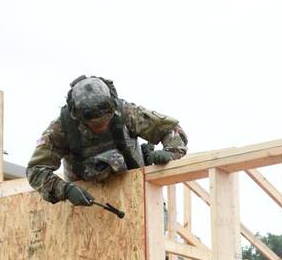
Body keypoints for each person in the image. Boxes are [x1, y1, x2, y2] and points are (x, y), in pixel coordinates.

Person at [27, 75, 188, 207]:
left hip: (136, 196)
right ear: (78, 116)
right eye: (95, 124)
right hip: (89, 206)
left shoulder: (127, 113)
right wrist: (65, 190)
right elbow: (35, 170)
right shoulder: (61, 129)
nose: (101, 127)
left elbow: (172, 130)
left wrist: (170, 153)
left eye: (106, 121)